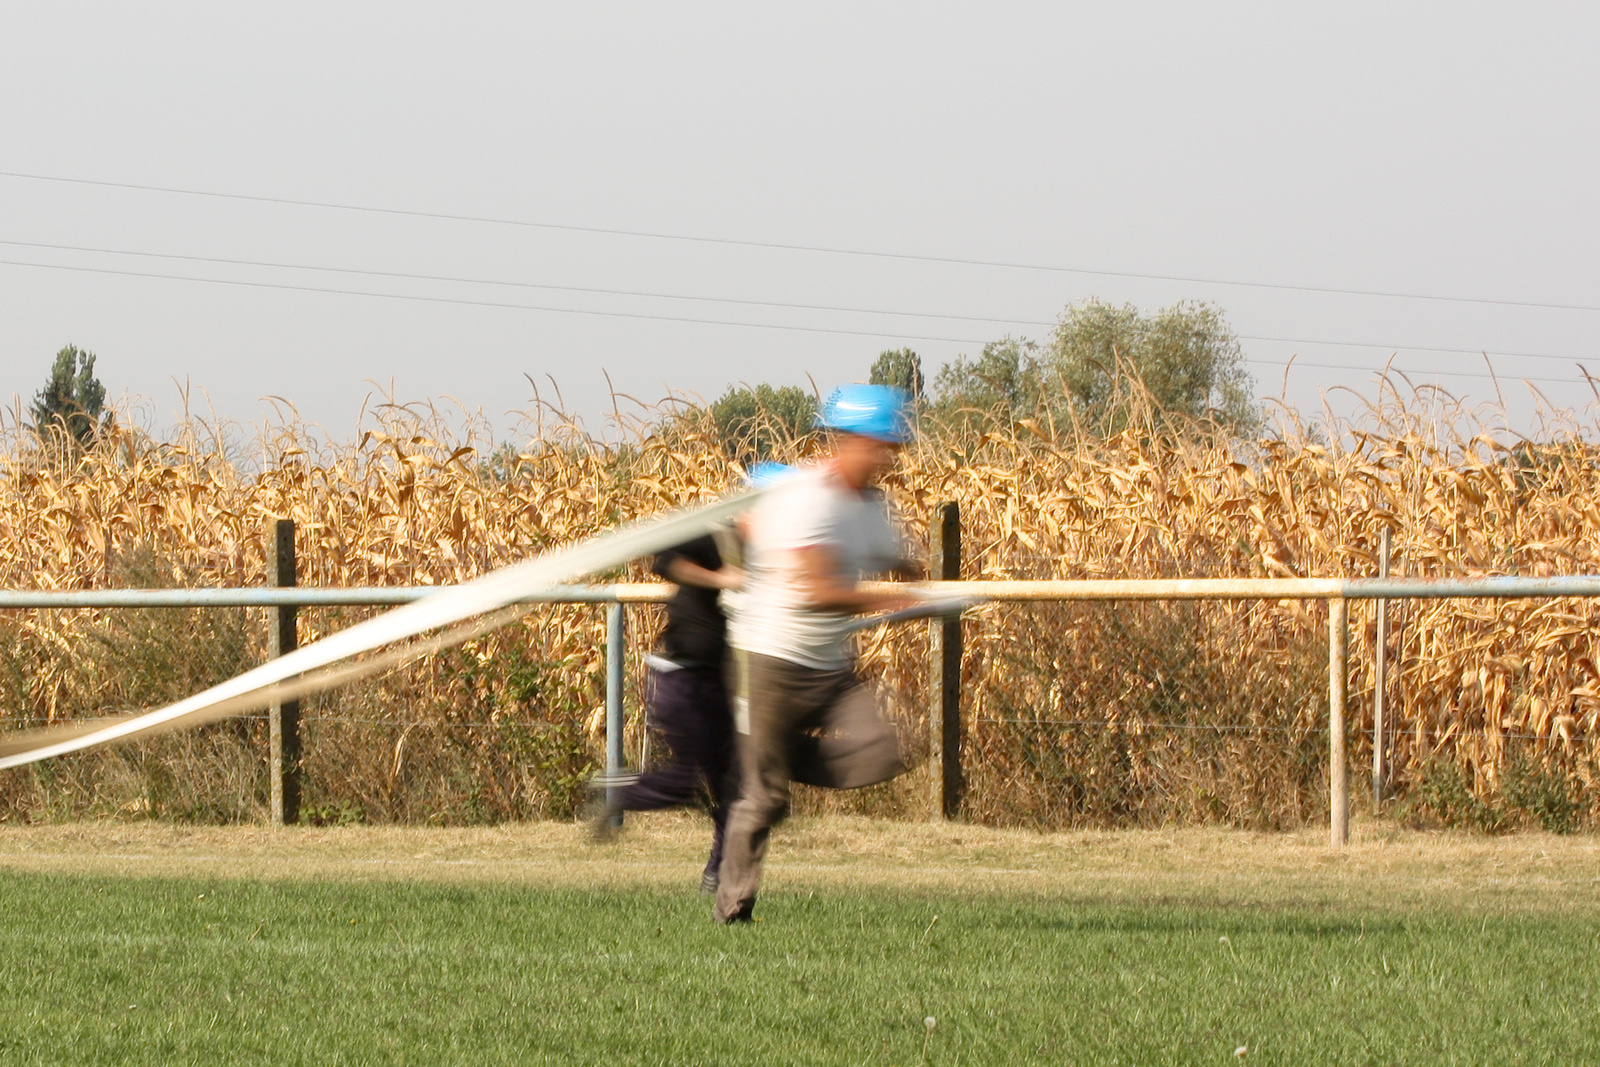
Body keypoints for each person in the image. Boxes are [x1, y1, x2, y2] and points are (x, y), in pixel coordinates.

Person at [714, 384, 922, 924]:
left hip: (830, 667)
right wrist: (899, 598)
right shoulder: (808, 499)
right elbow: (818, 593)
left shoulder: (870, 505)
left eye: (891, 448)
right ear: (848, 440)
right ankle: (732, 912)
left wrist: (923, 583)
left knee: (882, 751)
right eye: (878, 445)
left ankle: (769, 758)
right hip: (773, 661)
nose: (885, 458)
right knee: (763, 802)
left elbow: (898, 560)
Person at [592, 531, 742, 895]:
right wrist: (721, 578)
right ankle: (614, 794)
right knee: (683, 784)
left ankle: (717, 874)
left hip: (718, 683)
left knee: (735, 789)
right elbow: (666, 560)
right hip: (683, 679)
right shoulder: (714, 538)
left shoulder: (769, 548)